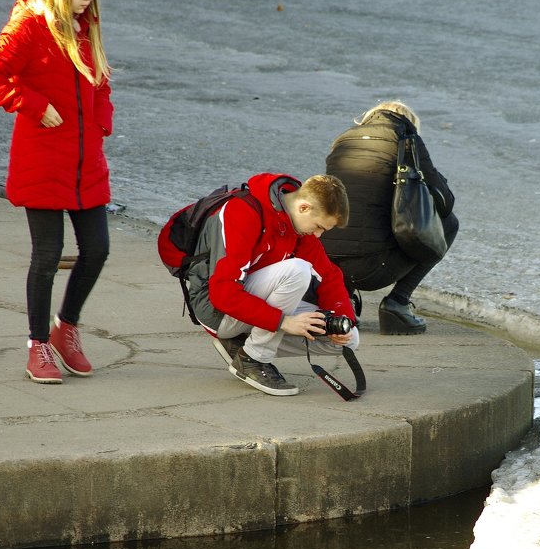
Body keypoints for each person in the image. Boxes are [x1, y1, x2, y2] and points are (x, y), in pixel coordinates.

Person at [0, 0, 114, 384]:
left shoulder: (85, 27)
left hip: (87, 160)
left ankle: (66, 327)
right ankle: (39, 345)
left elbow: (100, 80)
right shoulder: (28, 27)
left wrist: (102, 120)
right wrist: (32, 104)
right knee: (47, 255)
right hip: (43, 159)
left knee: (98, 249)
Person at [187, 173, 360, 396]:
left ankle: (243, 344)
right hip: (215, 309)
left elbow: (329, 276)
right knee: (297, 270)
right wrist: (282, 321)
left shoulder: (295, 224)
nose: (317, 235)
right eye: (319, 227)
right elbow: (223, 294)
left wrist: (342, 319)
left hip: (249, 303)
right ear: (304, 207)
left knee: (348, 339)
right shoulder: (242, 211)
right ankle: (253, 359)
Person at [320, 101, 458, 335]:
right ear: (409, 122)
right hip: (375, 267)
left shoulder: (343, 141)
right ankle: (397, 303)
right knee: (449, 224)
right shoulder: (407, 140)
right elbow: (444, 203)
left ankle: (344, 301)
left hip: (328, 262)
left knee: (355, 213)